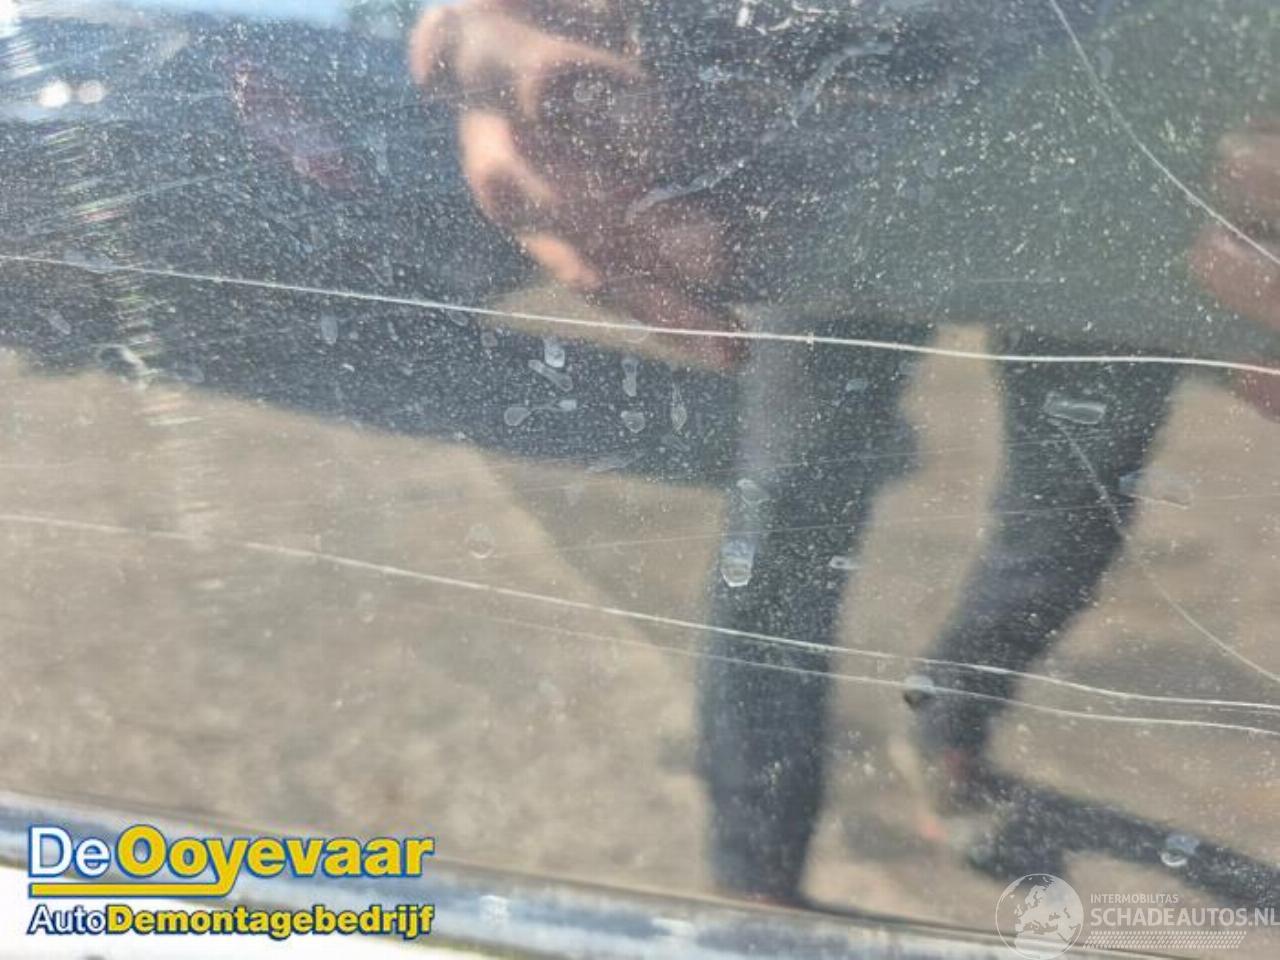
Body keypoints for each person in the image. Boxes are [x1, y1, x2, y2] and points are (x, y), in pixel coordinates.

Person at [407, 0, 1271, 904]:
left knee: (1071, 524)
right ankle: (756, 881)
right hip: (840, 129)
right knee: (783, 536)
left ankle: (947, 725)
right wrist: (525, 47)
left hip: (1123, 145)